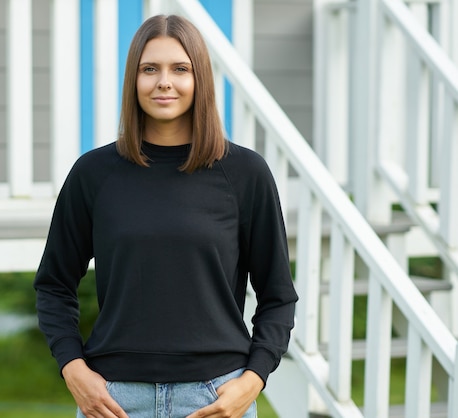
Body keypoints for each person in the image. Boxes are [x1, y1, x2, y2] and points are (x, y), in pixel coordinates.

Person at [34, 14, 298, 418]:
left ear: (200, 79)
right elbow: (53, 285)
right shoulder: (94, 174)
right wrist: (73, 369)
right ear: (133, 80)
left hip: (215, 399)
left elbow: (278, 297)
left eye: (180, 69)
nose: (164, 81)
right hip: (113, 401)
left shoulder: (245, 174)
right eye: (149, 69)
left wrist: (252, 381)